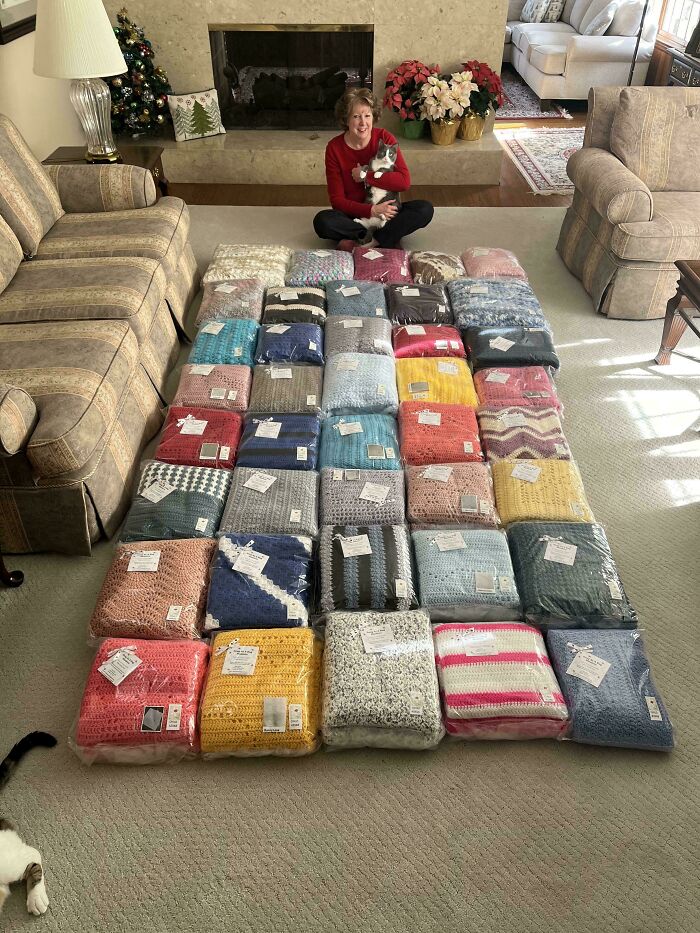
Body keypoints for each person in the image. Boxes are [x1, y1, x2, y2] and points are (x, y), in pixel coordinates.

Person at [313, 87, 434, 250]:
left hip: (387, 213)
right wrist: (372, 210)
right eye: (356, 116)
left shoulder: (384, 138)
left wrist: (366, 176)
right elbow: (337, 201)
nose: (363, 123)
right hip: (356, 214)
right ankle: (382, 238)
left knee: (424, 209)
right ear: (346, 119)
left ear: (373, 117)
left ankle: (368, 240)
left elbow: (404, 182)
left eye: (367, 116)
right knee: (323, 221)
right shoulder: (334, 148)